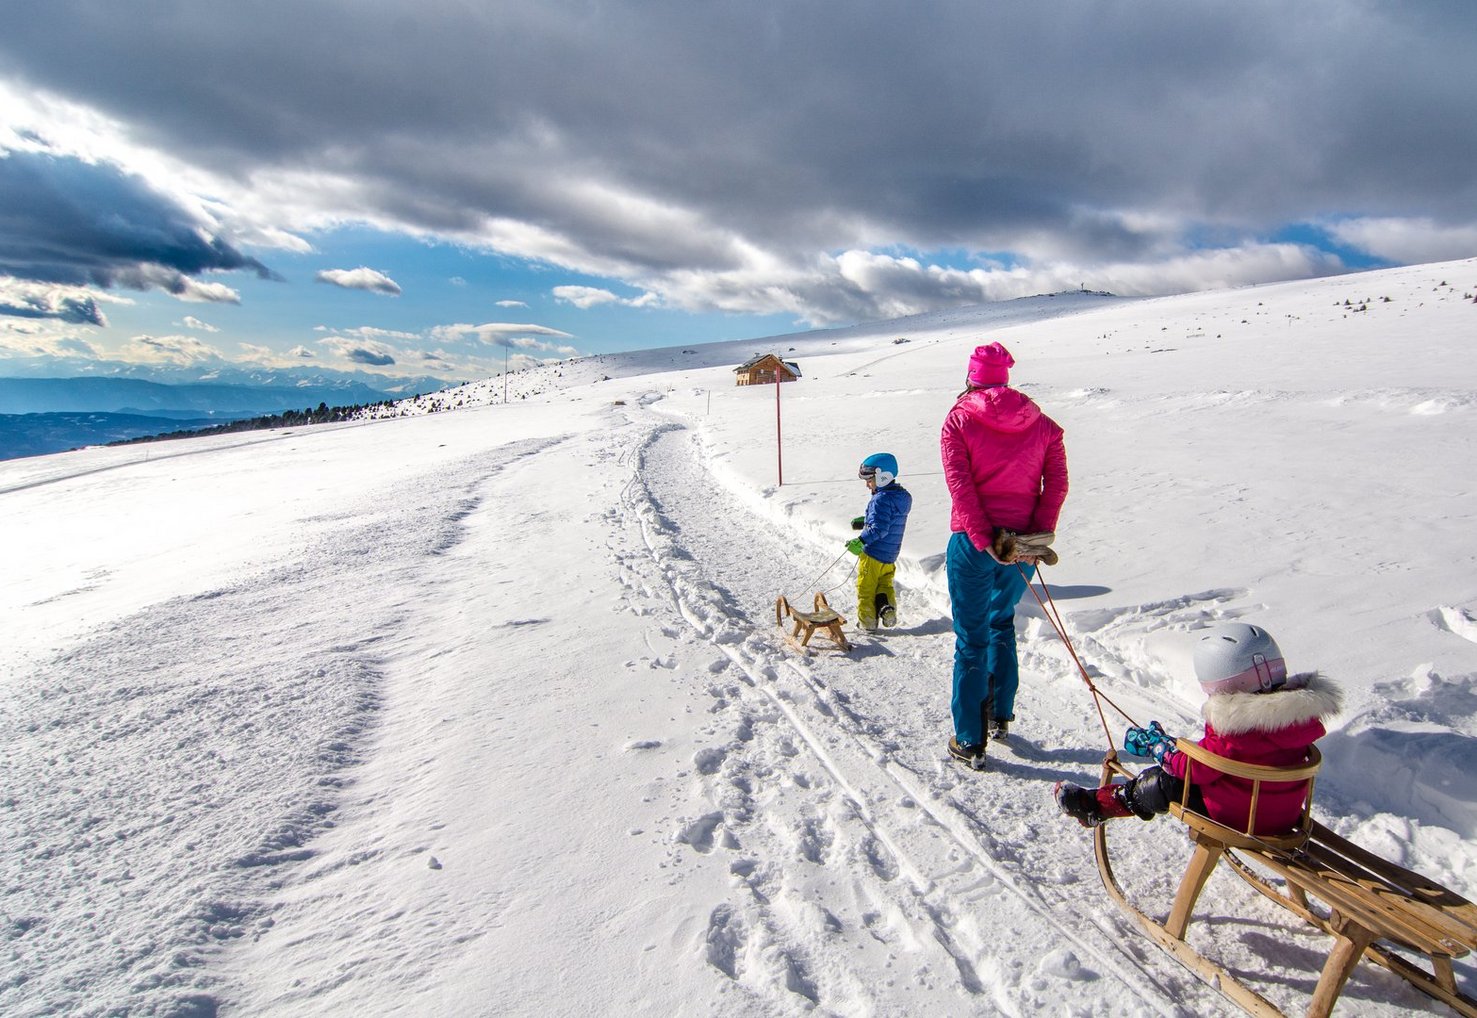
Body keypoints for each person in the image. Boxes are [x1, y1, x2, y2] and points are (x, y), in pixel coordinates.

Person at [1054, 623, 1341, 831]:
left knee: (1162, 783)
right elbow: (1224, 756)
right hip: (1283, 815)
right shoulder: (1296, 719)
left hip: (1240, 817)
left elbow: (1194, 769)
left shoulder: (1238, 728)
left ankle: (1098, 806)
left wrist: (1159, 748)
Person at [941, 341, 1067, 768]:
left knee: (971, 639)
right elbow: (1057, 483)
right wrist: (1034, 538)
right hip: (1020, 546)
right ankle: (1000, 715)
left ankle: (969, 739)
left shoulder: (959, 419)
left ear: (971, 377)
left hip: (972, 544)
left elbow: (960, 486)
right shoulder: (1043, 424)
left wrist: (981, 538)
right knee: (1001, 623)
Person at [846, 453, 913, 631]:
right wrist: (865, 521)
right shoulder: (901, 497)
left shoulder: (880, 499)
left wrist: (861, 540)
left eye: (870, 480)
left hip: (873, 553)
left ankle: (867, 622)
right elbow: (889, 520)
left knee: (866, 588)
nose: (867, 484)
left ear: (883, 477)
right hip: (890, 555)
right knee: (884, 584)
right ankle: (887, 609)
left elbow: (879, 529)